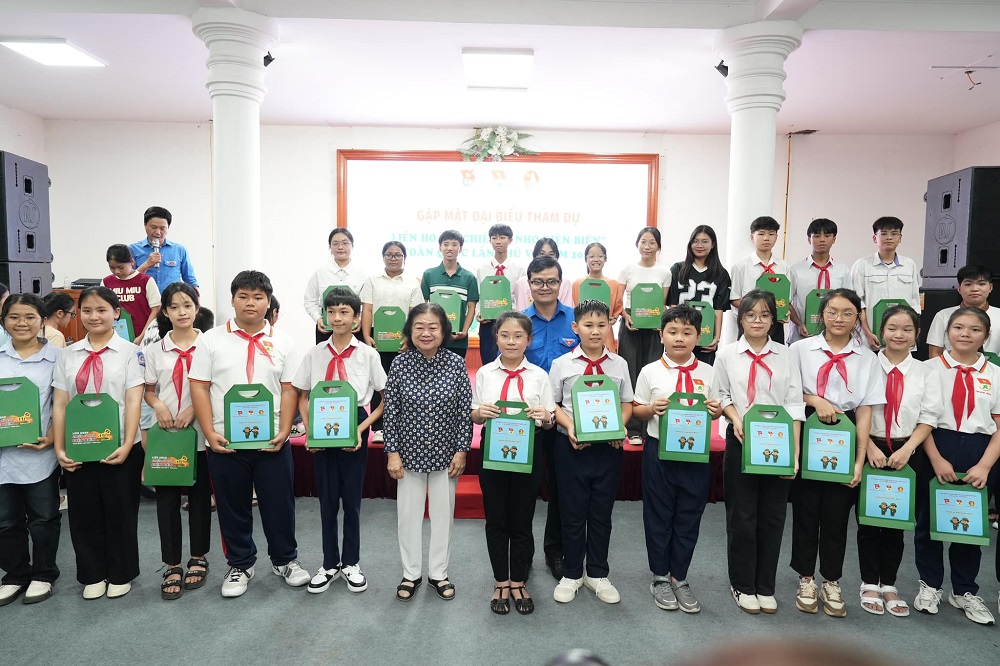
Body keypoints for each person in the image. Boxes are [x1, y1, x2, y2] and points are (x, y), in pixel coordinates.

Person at [189, 270, 309, 598]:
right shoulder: (211, 340)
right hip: (226, 440)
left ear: (269, 302)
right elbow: (199, 387)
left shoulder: (284, 342)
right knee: (232, 506)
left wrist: (284, 430)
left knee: (279, 504)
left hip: (272, 440)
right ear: (232, 300)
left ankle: (285, 560)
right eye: (243, 296)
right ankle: (240, 564)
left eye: (258, 297)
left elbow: (289, 390)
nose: (250, 303)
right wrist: (209, 431)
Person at [790, 288, 884, 618]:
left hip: (846, 433)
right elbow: (790, 393)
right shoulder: (800, 350)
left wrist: (859, 460)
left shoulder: (867, 358)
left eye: (847, 313)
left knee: (836, 516)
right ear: (821, 314)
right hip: (808, 428)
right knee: (805, 512)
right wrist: (815, 400)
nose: (839, 319)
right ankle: (805, 578)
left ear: (858, 317)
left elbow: (866, 409)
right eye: (832, 312)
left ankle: (831, 580)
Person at [51, 286, 145, 600]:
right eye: (87, 311)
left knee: (120, 510)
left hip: (119, 445)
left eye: (102, 310)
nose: (94, 316)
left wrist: (128, 444)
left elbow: (133, 400)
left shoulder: (130, 352)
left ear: (116, 313)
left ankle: (120, 572)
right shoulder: (67, 354)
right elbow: (60, 403)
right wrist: (60, 448)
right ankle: (92, 573)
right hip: (80, 446)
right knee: (83, 512)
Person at [715, 290, 805, 615]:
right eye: (751, 315)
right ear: (741, 319)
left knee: (772, 516)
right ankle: (742, 584)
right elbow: (721, 395)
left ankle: (765, 585)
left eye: (765, 315)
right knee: (742, 517)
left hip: (778, 443)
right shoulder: (727, 355)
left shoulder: (787, 355)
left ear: (774, 320)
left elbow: (794, 404)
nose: (757, 321)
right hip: (741, 439)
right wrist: (736, 419)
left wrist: (794, 453)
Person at [293, 287, 386, 595]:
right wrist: (310, 430)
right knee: (327, 500)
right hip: (321, 424)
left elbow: (384, 399)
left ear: (357, 318)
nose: (337, 317)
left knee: (352, 500)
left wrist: (362, 429)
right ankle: (329, 563)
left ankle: (351, 563)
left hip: (354, 424)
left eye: (344, 312)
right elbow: (302, 396)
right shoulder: (314, 353)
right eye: (331, 311)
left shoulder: (368, 354)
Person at [632, 304, 722, 614]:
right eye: (672, 332)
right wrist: (651, 409)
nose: (679, 338)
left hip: (696, 454)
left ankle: (679, 577)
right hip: (659, 451)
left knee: (689, 515)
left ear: (699, 336)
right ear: (661, 335)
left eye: (687, 332)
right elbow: (637, 410)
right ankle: (659, 576)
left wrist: (716, 411)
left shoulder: (709, 372)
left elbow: (717, 409)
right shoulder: (650, 371)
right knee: (658, 514)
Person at [914, 307, 1000, 625]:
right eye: (959, 327)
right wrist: (936, 459)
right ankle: (930, 584)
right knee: (928, 522)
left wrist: (985, 466)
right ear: (947, 332)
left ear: (986, 336)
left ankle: (964, 590)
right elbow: (920, 419)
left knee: (970, 525)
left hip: (981, 450)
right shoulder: (927, 369)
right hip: (936, 443)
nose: (965, 334)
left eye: (975, 329)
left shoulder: (995, 374)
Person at [383, 303, 472, 602]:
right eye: (419, 326)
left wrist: (462, 450)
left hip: (446, 454)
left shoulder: (456, 364)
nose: (426, 332)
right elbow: (391, 412)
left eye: (433, 327)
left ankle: (438, 573)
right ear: (409, 330)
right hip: (408, 454)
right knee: (408, 516)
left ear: (444, 331)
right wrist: (392, 452)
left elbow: (464, 411)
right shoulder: (400, 364)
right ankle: (411, 574)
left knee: (442, 516)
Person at [549, 300, 633, 605]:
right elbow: (552, 404)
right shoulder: (562, 364)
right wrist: (571, 426)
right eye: (588, 325)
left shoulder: (619, 364)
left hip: (608, 449)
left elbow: (626, 403)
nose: (595, 331)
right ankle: (572, 573)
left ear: (610, 325)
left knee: (601, 513)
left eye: (601, 325)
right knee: (572, 512)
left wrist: (619, 427)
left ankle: (597, 572)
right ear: (576, 327)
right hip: (571, 447)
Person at [472, 310, 555, 615]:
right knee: (496, 518)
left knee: (522, 518)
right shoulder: (484, 374)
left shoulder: (539, 376)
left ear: (529, 340)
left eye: (518, 336)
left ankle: (518, 580)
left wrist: (544, 416)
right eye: (505, 335)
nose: (511, 341)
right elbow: (474, 415)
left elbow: (549, 419)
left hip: (528, 453)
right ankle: (500, 581)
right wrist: (480, 413)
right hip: (493, 452)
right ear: (496, 338)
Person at [859, 305, 938, 617]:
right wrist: (867, 448)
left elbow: (929, 416)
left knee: (897, 521)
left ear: (917, 334)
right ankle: (869, 582)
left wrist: (909, 450)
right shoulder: (866, 364)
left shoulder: (926, 371)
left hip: (909, 449)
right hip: (870, 446)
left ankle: (889, 583)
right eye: (892, 328)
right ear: (881, 331)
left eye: (907, 329)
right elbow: (855, 408)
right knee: (869, 520)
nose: (899, 334)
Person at [143, 283, 214, 601]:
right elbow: (149, 391)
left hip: (201, 433)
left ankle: (198, 557)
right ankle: (172, 563)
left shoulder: (209, 346)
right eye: (174, 306)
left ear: (197, 308)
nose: (181, 312)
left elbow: (213, 387)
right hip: (168, 436)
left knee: (200, 500)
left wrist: (193, 410)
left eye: (187, 305)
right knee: (166, 503)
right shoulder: (154, 350)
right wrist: (158, 405)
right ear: (165, 311)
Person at [0, 294, 61, 605]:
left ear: (43, 320)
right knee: (6, 520)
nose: (21, 323)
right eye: (13, 317)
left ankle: (44, 573)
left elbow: (62, 403)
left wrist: (51, 436)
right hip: (3, 456)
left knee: (43, 517)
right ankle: (15, 574)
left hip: (40, 454)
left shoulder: (57, 358)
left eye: (29, 317)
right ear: (3, 321)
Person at [522, 255, 580, 581]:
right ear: (529, 284)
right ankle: (523, 552)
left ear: (560, 283)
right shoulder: (519, 322)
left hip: (565, 418)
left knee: (561, 489)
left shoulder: (575, 320)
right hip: (528, 419)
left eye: (551, 281)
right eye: (538, 281)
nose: (545, 287)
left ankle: (555, 551)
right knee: (525, 488)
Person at [359, 240, 423, 444]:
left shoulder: (412, 282)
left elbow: (415, 313)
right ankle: (379, 427)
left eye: (397, 255)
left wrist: (410, 338)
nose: (393, 258)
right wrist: (366, 335)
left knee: (405, 382)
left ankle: (403, 424)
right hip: (377, 339)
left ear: (404, 258)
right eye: (389, 254)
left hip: (403, 340)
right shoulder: (372, 280)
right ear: (383, 257)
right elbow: (367, 309)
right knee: (378, 382)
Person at [617, 227, 672, 444]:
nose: (647, 246)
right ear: (637, 244)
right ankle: (632, 429)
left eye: (652, 242)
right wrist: (625, 316)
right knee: (630, 373)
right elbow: (619, 302)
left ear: (659, 246)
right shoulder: (627, 270)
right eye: (643, 242)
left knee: (652, 373)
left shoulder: (665, 272)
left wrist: (660, 321)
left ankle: (648, 427)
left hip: (654, 326)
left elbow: (662, 303)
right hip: (631, 322)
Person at [851, 217, 921, 351]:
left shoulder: (909, 265)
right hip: (871, 339)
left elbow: (914, 302)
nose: (889, 237)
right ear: (874, 238)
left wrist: (912, 334)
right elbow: (857, 304)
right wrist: (867, 333)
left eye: (894, 233)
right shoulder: (862, 265)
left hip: (902, 338)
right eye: (883, 234)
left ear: (900, 238)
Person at [667, 225, 731, 364]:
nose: (699, 245)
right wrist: (671, 333)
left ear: (713, 244)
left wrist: (716, 337)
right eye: (695, 241)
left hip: (705, 334)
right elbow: (673, 305)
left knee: (703, 374)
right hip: (680, 333)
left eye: (705, 241)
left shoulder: (721, 274)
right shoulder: (677, 269)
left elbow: (718, 309)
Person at [786, 218, 851, 343]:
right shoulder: (795, 270)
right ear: (809, 239)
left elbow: (849, 303)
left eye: (827, 236)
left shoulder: (843, 271)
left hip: (833, 338)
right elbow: (786, 302)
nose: (822, 240)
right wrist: (799, 324)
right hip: (801, 338)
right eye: (816, 236)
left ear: (834, 239)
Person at [420, 230, 479, 359]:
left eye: (454, 244)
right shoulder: (429, 275)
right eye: (446, 244)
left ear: (460, 248)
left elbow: (471, 308)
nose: (450, 248)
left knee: (456, 371)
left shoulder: (469, 277)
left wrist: (464, 331)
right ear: (440, 248)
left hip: (458, 341)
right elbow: (423, 306)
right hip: (432, 338)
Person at [304, 228, 368, 344]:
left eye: (345, 243)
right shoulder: (320, 273)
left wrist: (360, 319)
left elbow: (367, 304)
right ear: (330, 247)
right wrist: (318, 318)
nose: (340, 247)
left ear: (352, 246)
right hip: (326, 329)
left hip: (354, 329)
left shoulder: (362, 274)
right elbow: (310, 301)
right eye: (335, 243)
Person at [730, 216, 788, 343]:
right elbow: (734, 298)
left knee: (775, 354)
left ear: (776, 238)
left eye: (771, 234)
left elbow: (786, 298)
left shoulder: (784, 267)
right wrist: (757, 311)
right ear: (752, 237)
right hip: (750, 323)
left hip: (775, 323)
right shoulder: (740, 267)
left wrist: (784, 312)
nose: (766, 238)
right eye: (761, 234)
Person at [476, 224, 526, 365]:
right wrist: (479, 313)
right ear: (490, 241)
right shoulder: (482, 269)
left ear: (510, 240)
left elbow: (520, 297)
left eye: (502, 237)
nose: (498, 241)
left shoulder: (519, 269)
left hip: (511, 321)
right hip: (488, 323)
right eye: (494, 238)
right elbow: (480, 296)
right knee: (488, 361)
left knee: (511, 359)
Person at [926, 264, 1000, 358]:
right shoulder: (943, 315)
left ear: (990, 287)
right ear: (959, 289)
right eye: (968, 284)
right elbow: (935, 353)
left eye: (981, 284)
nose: (975, 289)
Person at [129, 206, 200, 293]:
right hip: (144, 299)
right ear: (145, 224)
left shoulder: (179, 250)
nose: (158, 232)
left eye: (162, 228)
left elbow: (191, 281)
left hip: (171, 299)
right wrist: (147, 264)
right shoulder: (132, 249)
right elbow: (128, 281)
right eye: (153, 227)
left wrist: (196, 300)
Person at [571, 242, 624, 353]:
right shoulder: (577, 284)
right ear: (586, 259)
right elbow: (575, 309)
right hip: (583, 335)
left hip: (605, 335)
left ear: (605, 259)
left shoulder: (614, 284)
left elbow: (617, 309)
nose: (596, 259)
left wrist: (614, 319)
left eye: (600, 256)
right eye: (591, 256)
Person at [103, 244, 161, 343]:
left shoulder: (146, 281)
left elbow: (156, 310)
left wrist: (143, 336)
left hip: (142, 335)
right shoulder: (106, 282)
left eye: (121, 267)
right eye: (112, 267)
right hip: (116, 336)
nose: (117, 271)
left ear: (132, 262)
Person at [512, 238, 574, 311]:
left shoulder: (565, 283)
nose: (546, 257)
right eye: (541, 254)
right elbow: (520, 311)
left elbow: (566, 311)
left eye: (551, 254)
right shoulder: (522, 282)